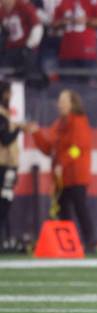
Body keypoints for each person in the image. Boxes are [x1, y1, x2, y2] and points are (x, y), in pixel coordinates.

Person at [29, 89, 96, 252]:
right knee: (63, 211)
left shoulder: (79, 121)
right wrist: (36, 133)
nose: (60, 104)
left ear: (73, 104)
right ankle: (68, 243)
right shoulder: (57, 124)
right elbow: (49, 149)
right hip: (61, 177)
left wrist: (62, 164)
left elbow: (77, 149)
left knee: (81, 209)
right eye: (59, 101)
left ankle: (90, 242)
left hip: (76, 175)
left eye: (63, 101)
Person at [52, 0, 97, 69]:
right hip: (67, 53)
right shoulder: (62, 2)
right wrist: (65, 21)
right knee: (66, 78)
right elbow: (54, 24)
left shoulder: (93, 1)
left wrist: (86, 21)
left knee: (87, 77)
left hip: (87, 52)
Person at [0, 80, 23, 242]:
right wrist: (19, 129)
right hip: (3, 164)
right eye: (9, 92)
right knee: (3, 203)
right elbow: (6, 139)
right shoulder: (1, 114)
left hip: (6, 164)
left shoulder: (5, 114)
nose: (11, 96)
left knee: (5, 203)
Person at [0, 0, 43, 79]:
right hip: (10, 49)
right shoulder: (2, 10)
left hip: (26, 48)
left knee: (27, 76)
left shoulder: (24, 7)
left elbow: (37, 26)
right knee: (6, 74)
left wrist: (29, 46)